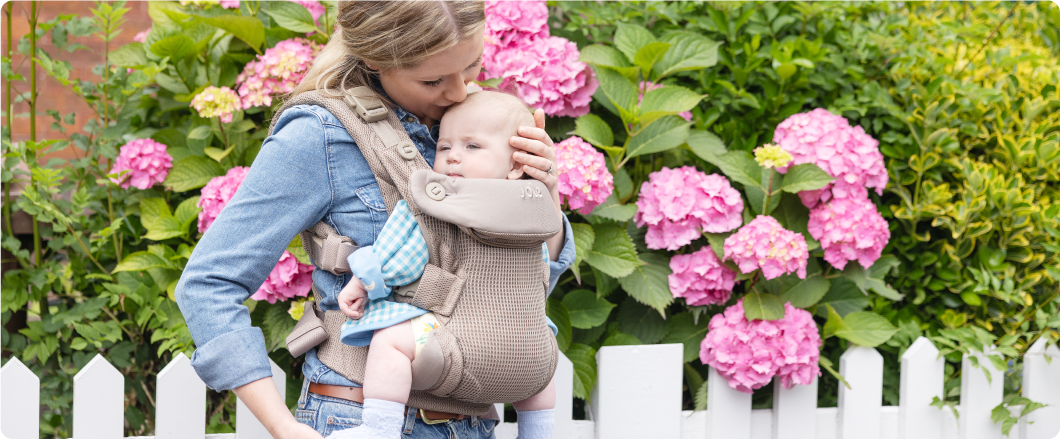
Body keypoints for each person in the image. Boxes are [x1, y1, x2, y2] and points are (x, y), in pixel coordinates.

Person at [174, 0, 575, 438]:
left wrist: (540, 196)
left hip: (473, 421)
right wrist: (282, 427)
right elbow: (208, 283)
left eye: (472, 65)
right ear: (374, 59)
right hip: (361, 417)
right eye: (433, 79)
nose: (460, 91)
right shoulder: (320, 134)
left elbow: (517, 295)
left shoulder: (478, 126)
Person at [331, 91, 558, 439]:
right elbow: (540, 274)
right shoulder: (536, 212)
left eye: (472, 147)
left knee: (390, 341)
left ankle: (378, 429)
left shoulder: (434, 203)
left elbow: (398, 260)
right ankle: (539, 432)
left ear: (516, 164)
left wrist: (362, 282)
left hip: (454, 346)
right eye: (444, 146)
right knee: (542, 354)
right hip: (530, 356)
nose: (453, 157)